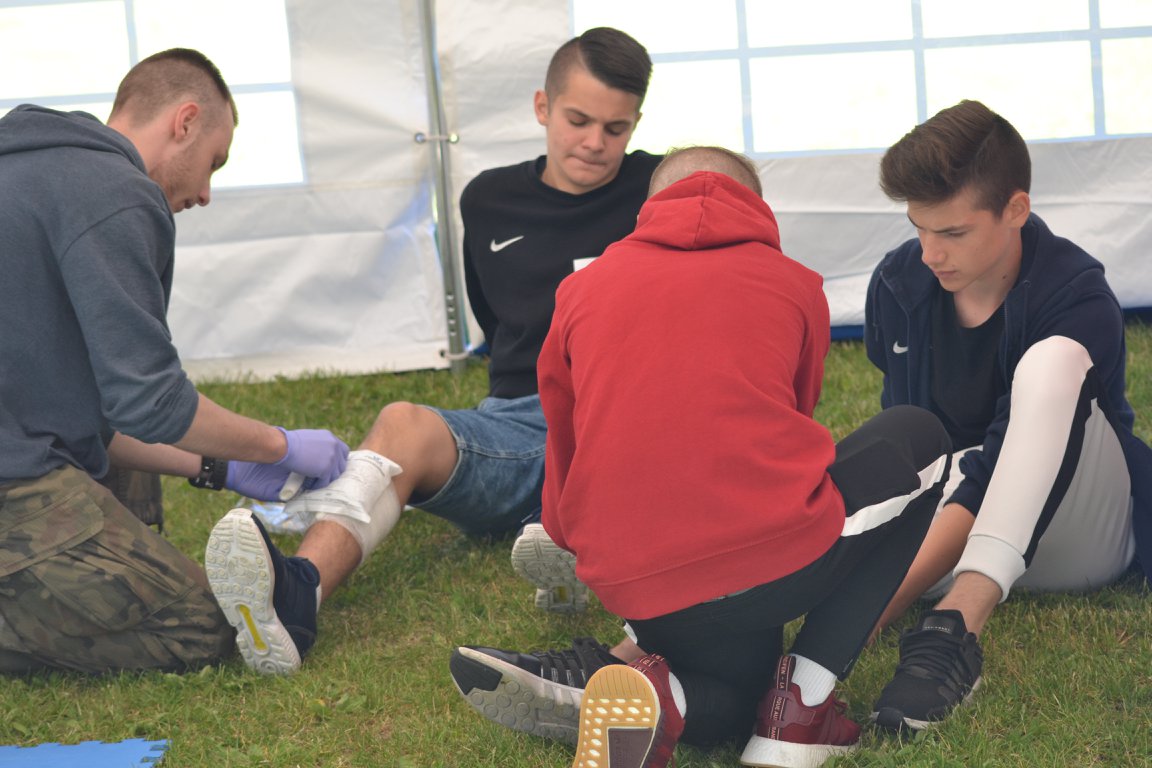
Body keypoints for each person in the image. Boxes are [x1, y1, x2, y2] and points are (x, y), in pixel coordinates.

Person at [457, 146, 954, 768]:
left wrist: (572, 535)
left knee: (738, 698)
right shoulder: (795, 284)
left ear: (649, 207)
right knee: (919, 434)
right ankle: (802, 708)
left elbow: (565, 440)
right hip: (764, 554)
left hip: (632, 582)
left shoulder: (579, 290)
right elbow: (794, 418)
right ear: (758, 208)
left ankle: (662, 695)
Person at [205, 26, 663, 674]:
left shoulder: (661, 189)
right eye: (578, 120)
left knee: (631, 430)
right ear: (542, 107)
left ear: (636, 123)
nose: (594, 142)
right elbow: (499, 324)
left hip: (619, 423)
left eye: (615, 129)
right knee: (403, 424)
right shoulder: (489, 199)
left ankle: (562, 529)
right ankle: (298, 594)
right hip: (518, 428)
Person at [0, 48, 349, 675]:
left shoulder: (35, 169)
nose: (206, 193)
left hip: (18, 446)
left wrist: (222, 466)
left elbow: (97, 412)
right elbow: (151, 402)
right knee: (213, 626)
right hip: (14, 480)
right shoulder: (115, 192)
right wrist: (278, 446)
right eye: (213, 162)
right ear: (184, 121)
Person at [864, 99, 1152, 731]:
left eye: (953, 233)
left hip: (1079, 528)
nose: (930, 252)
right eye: (919, 228)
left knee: (1052, 364)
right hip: (950, 515)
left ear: (1016, 209)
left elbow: (998, 465)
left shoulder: (1076, 293)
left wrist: (879, 603)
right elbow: (907, 442)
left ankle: (957, 626)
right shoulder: (897, 281)